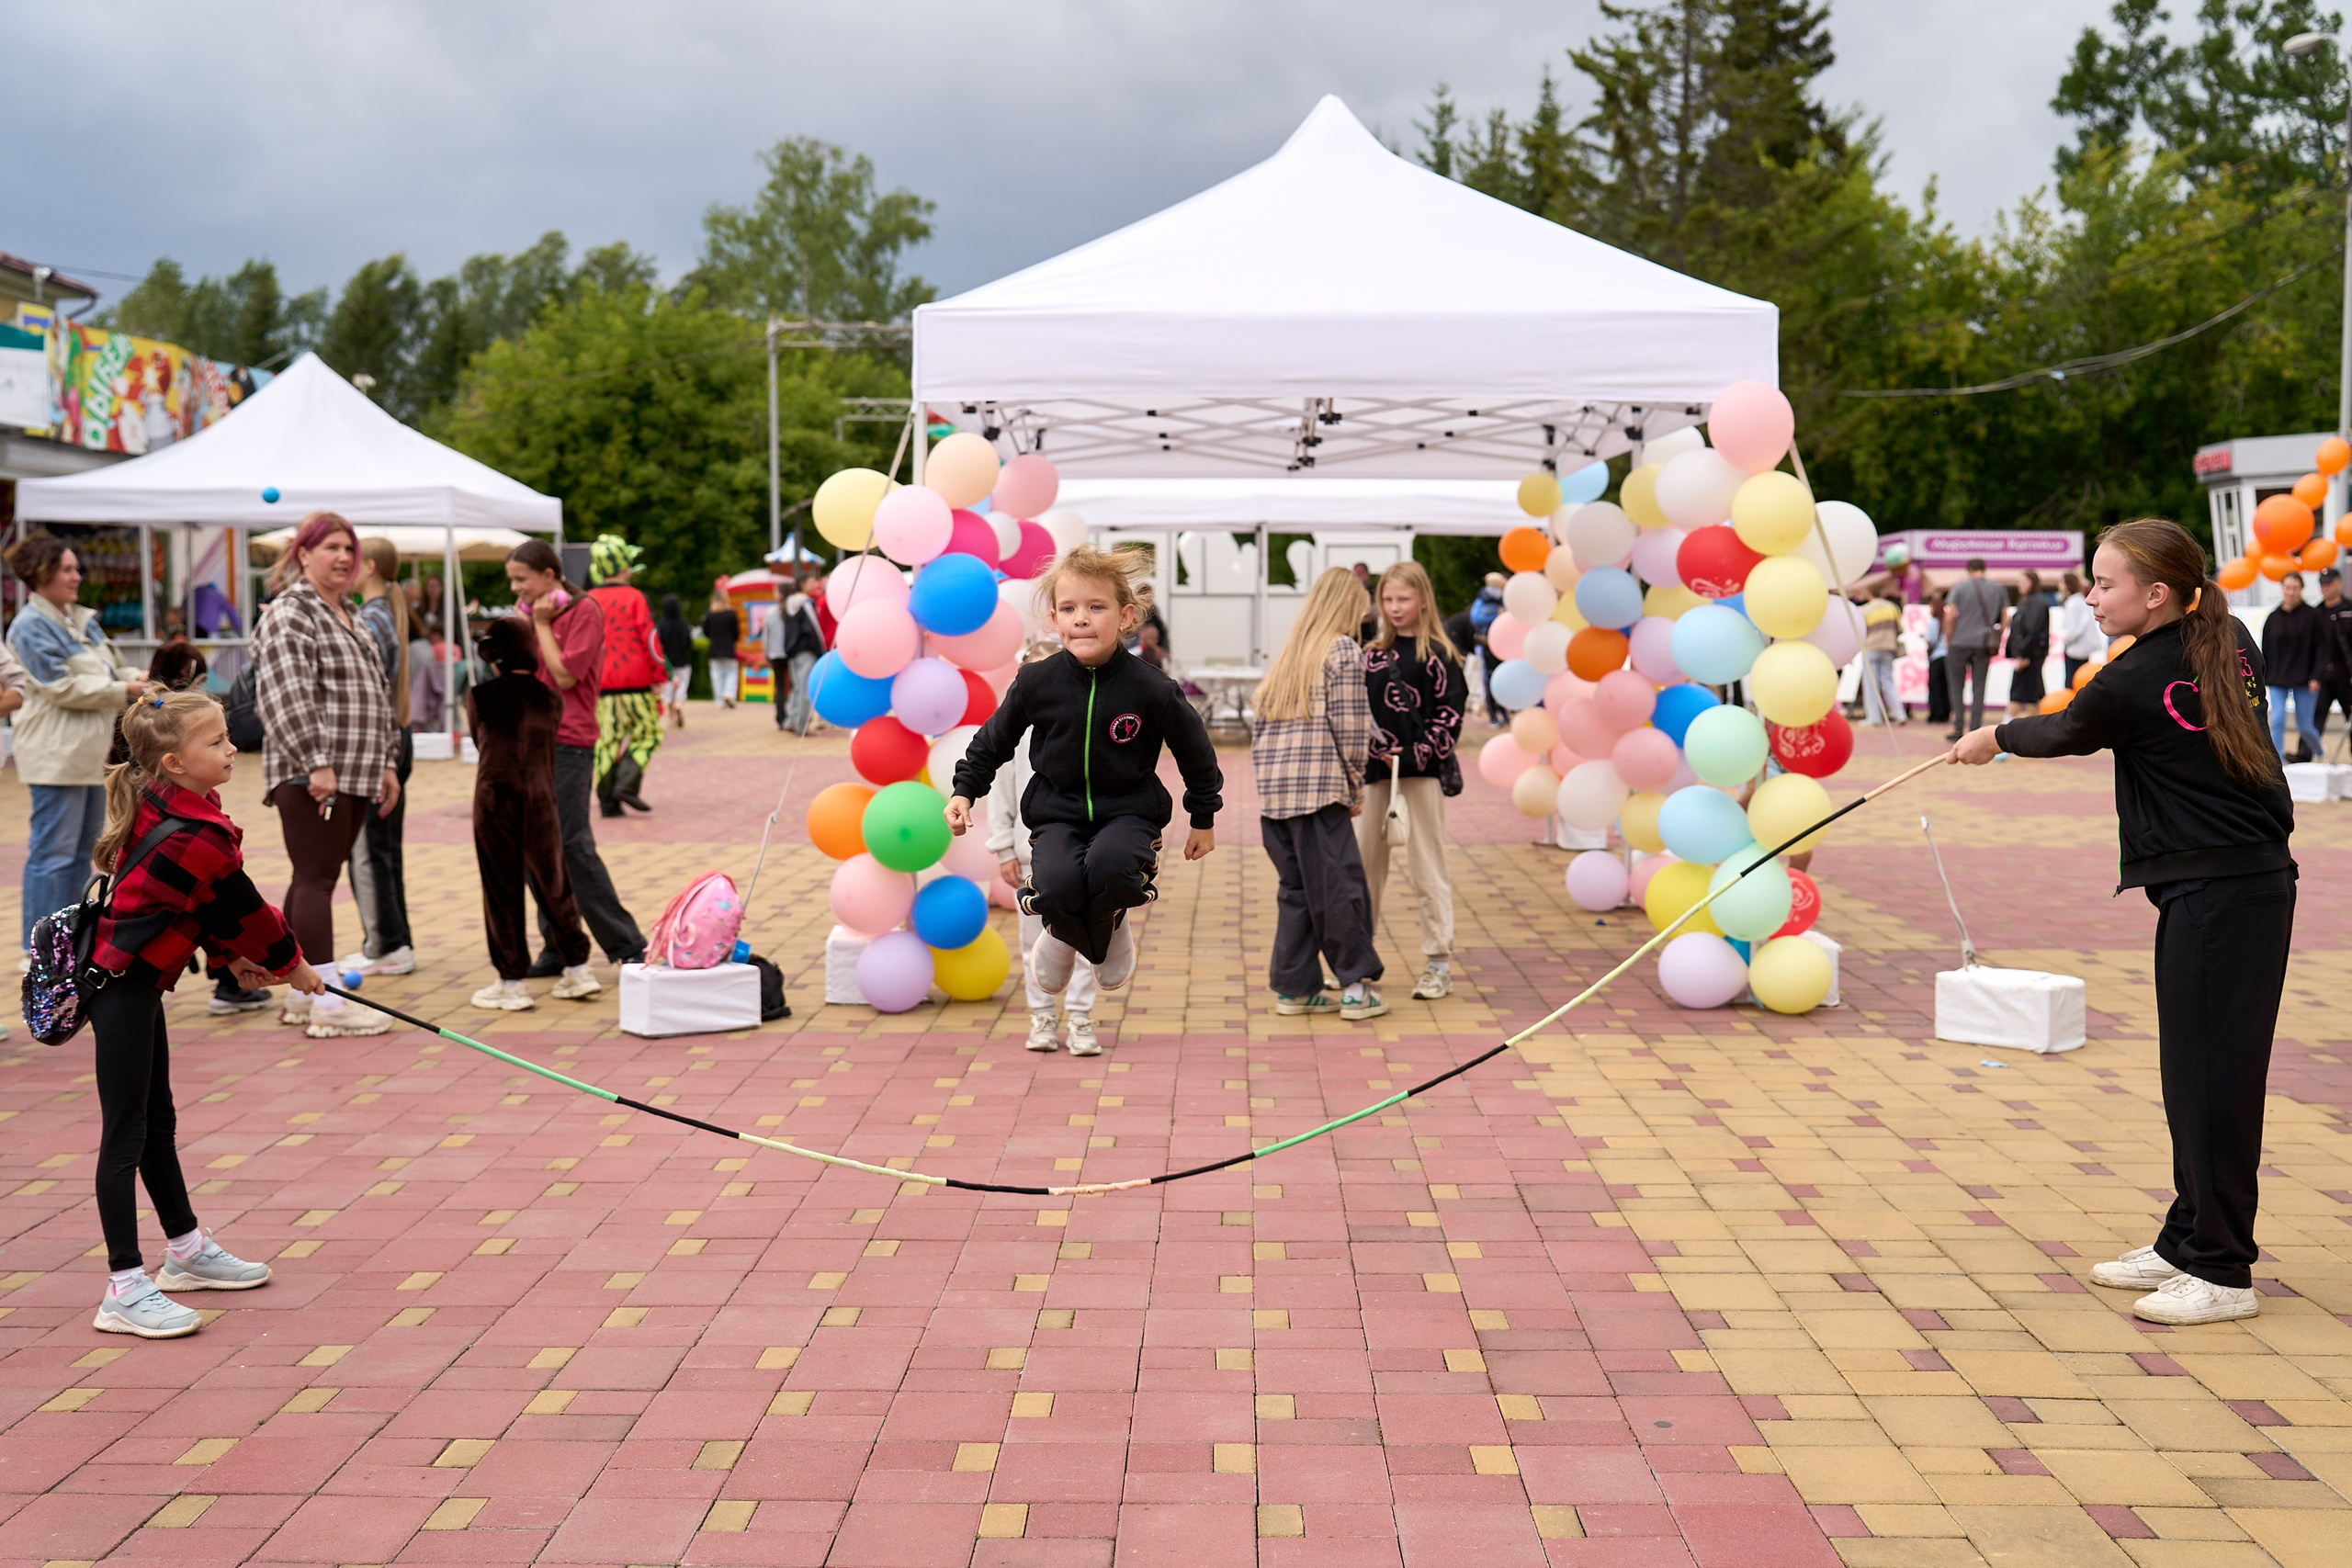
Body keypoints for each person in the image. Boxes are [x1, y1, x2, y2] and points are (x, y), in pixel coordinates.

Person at [1952, 517, 2293, 1325]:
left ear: (2158, 593)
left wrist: (1990, 736)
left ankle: (2223, 1270)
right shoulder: (2228, 636)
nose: (2092, 598)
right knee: (2194, 1075)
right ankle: (2188, 1238)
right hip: (2231, 886)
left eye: (2106, 585)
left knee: (2212, 1083)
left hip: (2225, 892)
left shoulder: (2135, 676)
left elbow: (2065, 729)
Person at [84, 690, 320, 1338]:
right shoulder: (195, 830)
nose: (232, 748)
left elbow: (199, 904)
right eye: (215, 741)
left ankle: (185, 1250)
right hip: (121, 987)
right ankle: (123, 1286)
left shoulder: (175, 802)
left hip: (137, 984)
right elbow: (244, 908)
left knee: (156, 1121)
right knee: (126, 1134)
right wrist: (290, 963)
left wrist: (228, 958)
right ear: (174, 762)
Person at [946, 546, 1223, 995]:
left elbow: (1197, 755)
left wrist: (1203, 819)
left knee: (1111, 869)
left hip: (1129, 813)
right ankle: (1066, 930)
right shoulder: (1036, 681)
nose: (1081, 619)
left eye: (1096, 607)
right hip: (1057, 814)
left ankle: (1106, 919)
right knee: (1056, 886)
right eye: (1069, 609)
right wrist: (964, 791)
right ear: (1054, 619)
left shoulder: (1153, 688)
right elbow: (993, 741)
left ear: (1126, 616)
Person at [248, 513, 399, 1039]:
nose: (343, 557)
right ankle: (329, 1002)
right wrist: (315, 761)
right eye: (331, 547)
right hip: (312, 771)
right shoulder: (292, 611)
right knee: (317, 879)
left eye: (349, 549)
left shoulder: (349, 613)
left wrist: (387, 761)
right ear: (303, 553)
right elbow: (285, 693)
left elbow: (376, 693)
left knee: (312, 877)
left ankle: (299, 993)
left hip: (355, 769)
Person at [505, 540, 645, 976]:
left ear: (549, 575)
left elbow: (566, 674)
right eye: (512, 581)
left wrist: (541, 625)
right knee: (532, 846)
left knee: (570, 844)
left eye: (522, 579)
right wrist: (522, 626)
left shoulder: (584, 611)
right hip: (527, 738)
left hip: (568, 740)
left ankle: (628, 944)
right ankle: (559, 946)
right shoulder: (529, 614)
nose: (516, 588)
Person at [1250, 568, 1384, 1021]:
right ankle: (1355, 988)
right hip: (1320, 791)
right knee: (1339, 888)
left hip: (1277, 798)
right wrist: (1355, 783)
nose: (1365, 615)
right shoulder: (1342, 650)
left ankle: (1295, 988)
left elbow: (1260, 732)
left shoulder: (1291, 655)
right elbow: (1350, 728)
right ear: (1348, 604)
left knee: (1297, 892)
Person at [7, 532, 143, 956]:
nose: (77, 576)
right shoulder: (29, 626)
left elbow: (114, 669)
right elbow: (62, 687)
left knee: (81, 852)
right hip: (55, 757)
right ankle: (39, 951)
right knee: (53, 855)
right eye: (66, 569)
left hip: (88, 756)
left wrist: (143, 679)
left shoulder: (81, 619)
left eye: (75, 568)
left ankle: (67, 944)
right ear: (40, 574)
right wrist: (125, 690)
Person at [465, 618, 594, 1010]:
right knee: (554, 881)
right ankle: (577, 967)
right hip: (541, 798)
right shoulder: (551, 699)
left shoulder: (480, 695)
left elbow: (479, 739)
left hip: (495, 798)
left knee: (501, 888)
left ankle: (510, 981)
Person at [1356, 561, 1464, 1001]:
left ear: (1423, 600)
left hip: (1421, 776)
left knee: (1428, 868)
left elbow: (1450, 717)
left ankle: (1438, 963)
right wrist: (1369, 749)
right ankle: (1356, 962)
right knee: (1364, 870)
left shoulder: (1440, 655)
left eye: (1403, 599)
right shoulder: (1369, 654)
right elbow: (1357, 711)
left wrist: (1415, 751)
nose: (1395, 607)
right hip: (1375, 775)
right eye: (1387, 599)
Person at [989, 643, 1102, 1055]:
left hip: (1086, 852)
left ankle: (1081, 1016)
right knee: (1035, 939)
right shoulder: (1013, 733)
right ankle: (1042, 1015)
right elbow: (1000, 792)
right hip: (1032, 855)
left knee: (1088, 936)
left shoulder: (1086, 725)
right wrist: (1004, 848)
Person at [341, 536, 415, 978]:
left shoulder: (370, 617)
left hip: (377, 745)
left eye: (351, 558)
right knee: (383, 848)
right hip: (395, 739)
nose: (343, 565)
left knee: (370, 851)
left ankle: (386, 944)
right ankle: (393, 941)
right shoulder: (386, 612)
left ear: (368, 566)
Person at [585, 536, 663, 817]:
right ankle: (627, 782)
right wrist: (659, 673)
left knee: (607, 740)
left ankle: (608, 801)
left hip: (602, 684)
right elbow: (651, 639)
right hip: (636, 681)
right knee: (648, 734)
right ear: (625, 566)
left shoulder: (589, 600)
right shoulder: (635, 597)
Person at [2258, 570, 2323, 761]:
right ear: (2282, 589)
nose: (2291, 592)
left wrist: (2317, 675)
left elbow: (2321, 647)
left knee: (2305, 726)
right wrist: (2264, 675)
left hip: (2305, 679)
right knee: (2277, 719)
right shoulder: (2273, 617)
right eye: (2288, 588)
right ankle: (2278, 760)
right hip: (2278, 678)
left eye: (2295, 588)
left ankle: (2319, 751)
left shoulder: (2312, 615)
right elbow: (2265, 648)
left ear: (2301, 589)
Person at [1942, 558, 2007, 739]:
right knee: (1979, 687)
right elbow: (2005, 617)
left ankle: (1958, 728)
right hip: (1983, 644)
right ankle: (1975, 729)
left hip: (1959, 642)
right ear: (1984, 569)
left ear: (1969, 569)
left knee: (1957, 686)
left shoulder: (1959, 588)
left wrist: (1949, 637)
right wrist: (1996, 635)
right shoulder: (1998, 589)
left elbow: (1950, 615)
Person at [770, 573, 826, 735]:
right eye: (811, 581)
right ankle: (802, 725)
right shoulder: (805, 603)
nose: (814, 584)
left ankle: (792, 721)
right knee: (806, 688)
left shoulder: (789, 603)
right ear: (802, 584)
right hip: (806, 651)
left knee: (796, 687)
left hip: (792, 651)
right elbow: (813, 628)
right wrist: (821, 651)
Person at [2004, 570, 2051, 716]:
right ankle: (2041, 725)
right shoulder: (2028, 601)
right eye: (2019, 582)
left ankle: (2007, 724)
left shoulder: (2037, 602)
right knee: (2035, 695)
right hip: (2029, 654)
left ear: (2033, 582)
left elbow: (2034, 630)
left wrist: (2023, 654)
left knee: (2018, 694)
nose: (2020, 585)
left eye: (2024, 581)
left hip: (2030, 656)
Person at [2315, 567, 2352, 750]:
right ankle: (2305, 755)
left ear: (2339, 583)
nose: (2325, 587)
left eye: (2329, 583)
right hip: (2323, 674)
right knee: (2315, 716)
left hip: (2346, 673)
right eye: (2322, 584)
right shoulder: (2316, 612)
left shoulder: (2349, 609)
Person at [1859, 592, 1904, 724]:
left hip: (1870, 648)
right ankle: (1900, 714)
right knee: (1888, 682)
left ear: (1869, 594)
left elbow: (1860, 631)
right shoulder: (1892, 608)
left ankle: (1873, 717)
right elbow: (1900, 629)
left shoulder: (1865, 610)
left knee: (1871, 684)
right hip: (1888, 647)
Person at [1469, 574, 1507, 724]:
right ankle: (1493, 715)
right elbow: (1475, 618)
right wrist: (1496, 617)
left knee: (1502, 679)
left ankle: (1503, 713)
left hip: (1502, 644)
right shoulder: (1482, 601)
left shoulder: (1503, 600)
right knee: (1488, 679)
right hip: (1485, 644)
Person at [655, 592, 695, 727]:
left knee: (668, 689)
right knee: (682, 686)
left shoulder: (661, 626)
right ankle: (679, 704)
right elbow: (689, 643)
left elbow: (658, 646)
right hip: (683, 661)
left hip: (667, 663)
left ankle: (671, 716)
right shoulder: (683, 625)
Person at [2060, 570, 2104, 686]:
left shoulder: (2073, 603)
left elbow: (2073, 629)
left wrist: (2065, 640)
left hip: (2075, 650)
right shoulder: (2079, 600)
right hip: (2081, 649)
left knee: (2073, 682)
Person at [702, 586, 741, 708]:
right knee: (731, 672)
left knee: (716, 674)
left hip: (714, 648)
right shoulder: (731, 613)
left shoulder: (709, 614)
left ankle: (719, 700)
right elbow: (736, 632)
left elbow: (705, 632)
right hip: (728, 648)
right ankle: (729, 693)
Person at [1922, 586, 1951, 729]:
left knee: (1935, 687)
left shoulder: (1933, 622)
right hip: (1947, 657)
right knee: (1945, 686)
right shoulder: (1947, 620)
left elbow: (1931, 640)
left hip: (1936, 657)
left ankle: (1935, 713)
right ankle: (1945, 713)